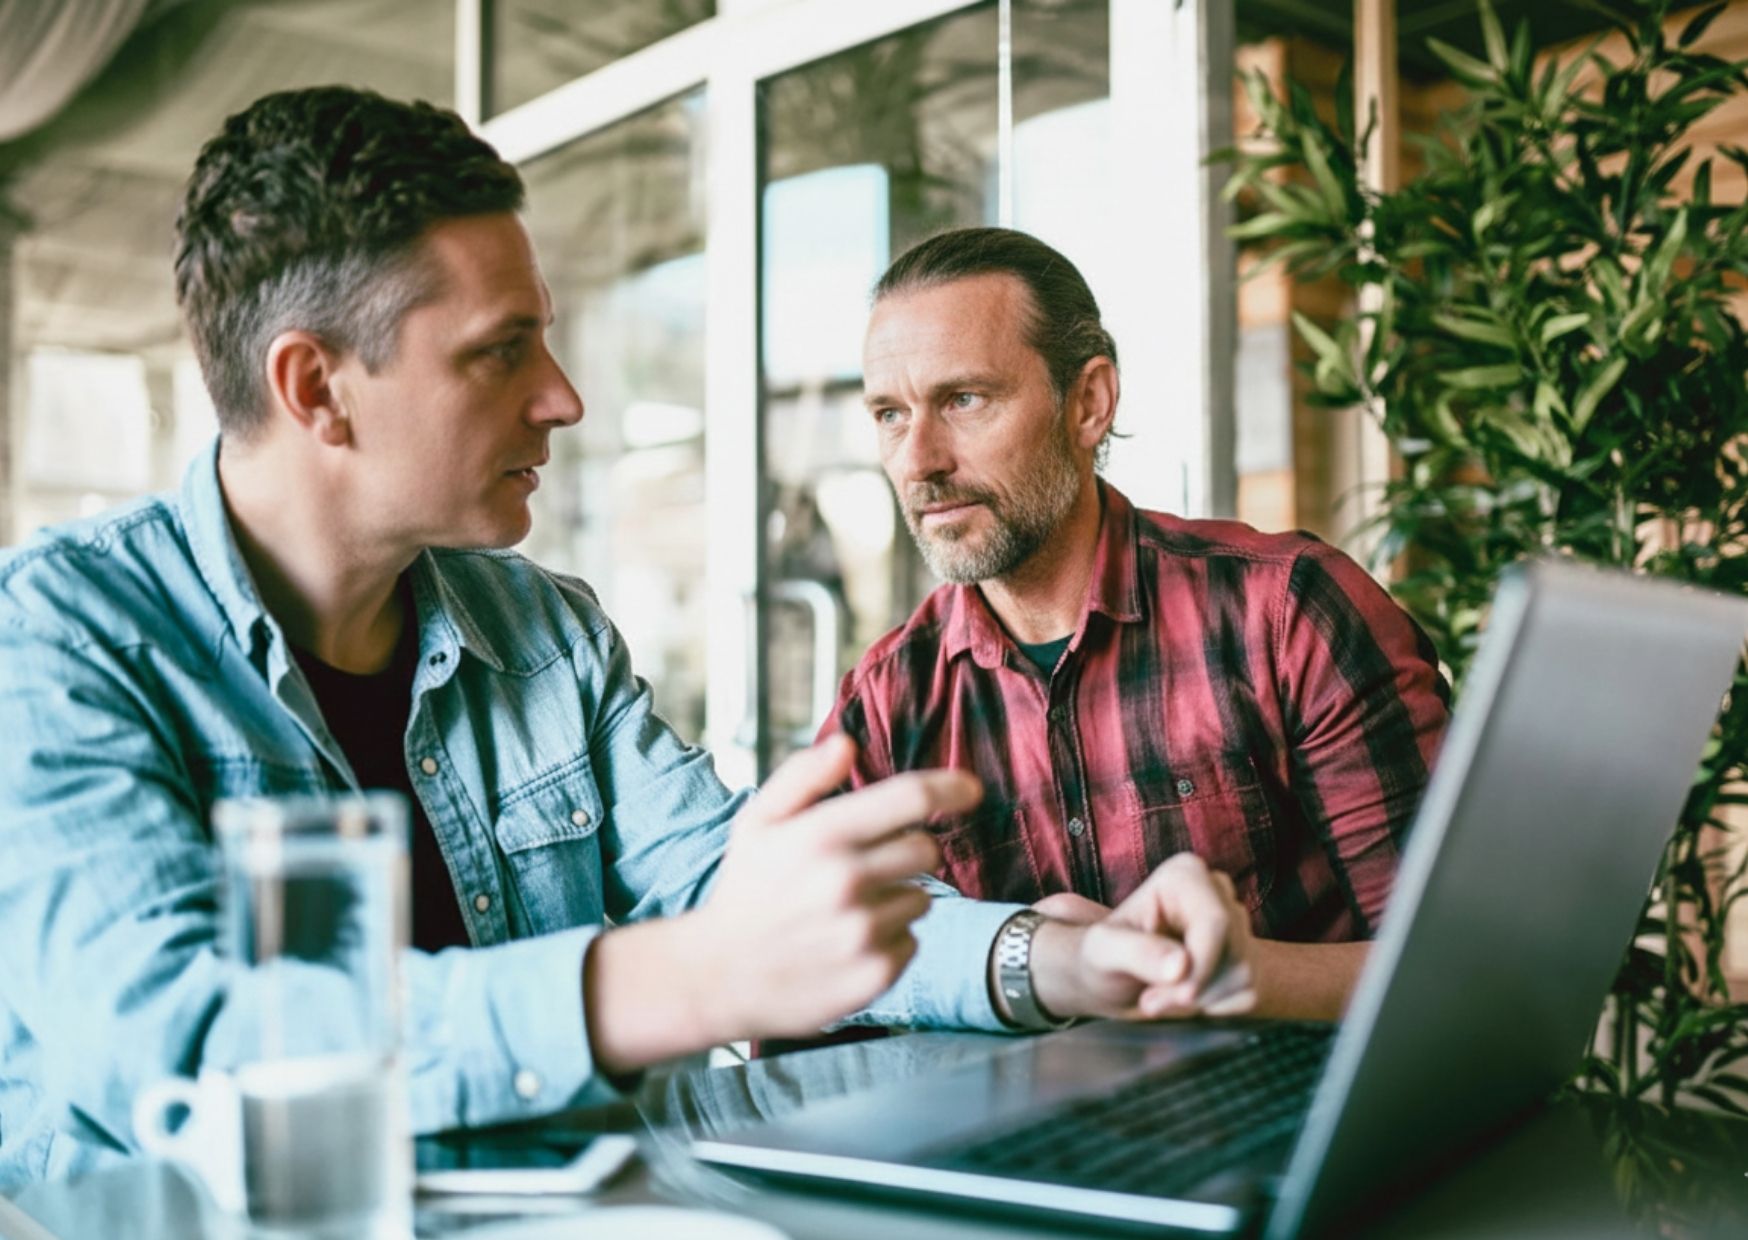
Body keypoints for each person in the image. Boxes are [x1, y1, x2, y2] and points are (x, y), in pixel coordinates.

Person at [0, 91, 1255, 1189]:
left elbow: (740, 896)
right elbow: (172, 1040)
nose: (563, 395)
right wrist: (686, 979)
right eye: (501, 351)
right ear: (315, 388)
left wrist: (1059, 957)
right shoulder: (59, 640)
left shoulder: (541, 629)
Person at [830, 227, 1452, 1023]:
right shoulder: (885, 705)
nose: (918, 460)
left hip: (1294, 1131)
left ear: (1089, 403)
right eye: (889, 413)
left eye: (964, 400)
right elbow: (806, 998)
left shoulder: (1290, 612)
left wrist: (1238, 977)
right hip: (1018, 1144)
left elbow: (1455, 969)